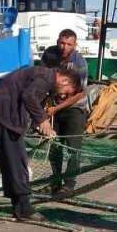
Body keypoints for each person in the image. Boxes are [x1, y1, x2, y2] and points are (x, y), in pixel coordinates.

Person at [0, 65, 82, 222]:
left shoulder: (44, 78)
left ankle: (19, 207)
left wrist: (36, 123)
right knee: (16, 162)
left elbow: (29, 99)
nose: (63, 97)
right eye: (67, 92)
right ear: (63, 80)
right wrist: (43, 121)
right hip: (3, 117)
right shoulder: (45, 77)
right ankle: (25, 208)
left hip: (2, 116)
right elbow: (29, 95)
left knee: (11, 163)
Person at [40, 29, 88, 200]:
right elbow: (42, 77)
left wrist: (55, 109)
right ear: (57, 40)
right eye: (61, 42)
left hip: (74, 108)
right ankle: (56, 181)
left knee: (73, 148)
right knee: (55, 146)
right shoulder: (49, 54)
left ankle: (69, 185)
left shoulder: (79, 64)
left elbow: (79, 94)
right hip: (53, 105)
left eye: (68, 44)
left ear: (75, 45)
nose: (64, 47)